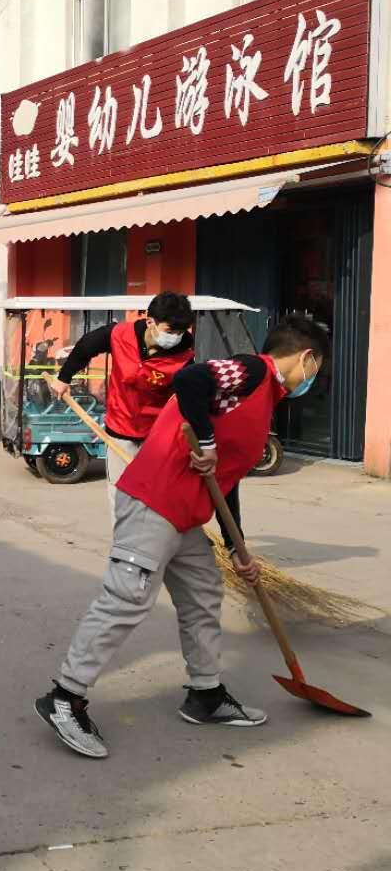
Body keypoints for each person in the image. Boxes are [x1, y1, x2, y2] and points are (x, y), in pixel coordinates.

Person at [35, 316, 330, 759]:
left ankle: (205, 695)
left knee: (204, 592)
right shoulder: (252, 372)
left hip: (185, 516)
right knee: (126, 599)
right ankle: (65, 697)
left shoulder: (263, 398)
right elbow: (193, 378)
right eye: (317, 369)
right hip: (155, 502)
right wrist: (206, 441)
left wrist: (237, 549)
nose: (312, 379)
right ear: (307, 357)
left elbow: (225, 480)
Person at [45, 291, 196, 511]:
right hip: (120, 427)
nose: (175, 337)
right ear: (150, 321)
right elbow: (86, 346)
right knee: (121, 495)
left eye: (181, 332)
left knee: (156, 495)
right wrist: (63, 378)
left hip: (157, 434)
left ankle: (152, 541)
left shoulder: (185, 358)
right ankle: (124, 543)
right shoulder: (120, 335)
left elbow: (189, 401)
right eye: (170, 331)